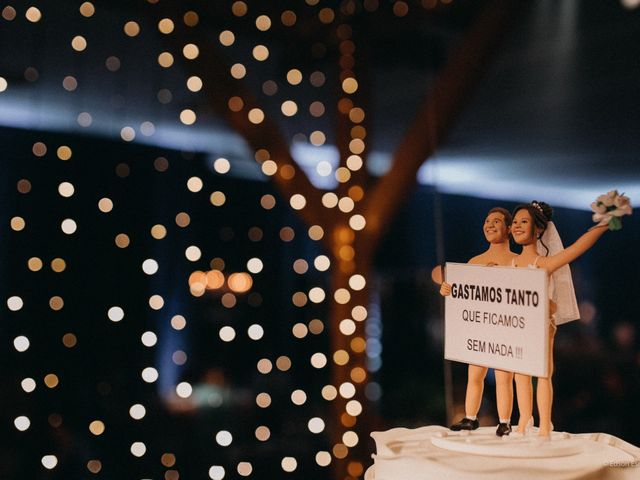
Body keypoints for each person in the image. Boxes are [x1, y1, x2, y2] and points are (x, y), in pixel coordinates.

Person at [509, 200, 612, 438]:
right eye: (515, 222)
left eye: (524, 222)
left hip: (539, 326)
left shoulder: (542, 263)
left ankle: (545, 423)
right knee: (519, 374)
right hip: (515, 327)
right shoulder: (511, 263)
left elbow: (576, 248)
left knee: (543, 373)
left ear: (538, 230)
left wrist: (605, 223)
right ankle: (525, 417)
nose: (517, 226)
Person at [437, 207, 517, 436]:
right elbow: (463, 293)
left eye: (496, 221)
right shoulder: (475, 261)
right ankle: (470, 417)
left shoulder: (516, 261)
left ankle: (505, 421)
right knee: (475, 374)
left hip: (504, 326)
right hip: (480, 327)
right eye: (487, 220)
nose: (490, 225)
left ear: (509, 229)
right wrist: (448, 290)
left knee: (504, 377)